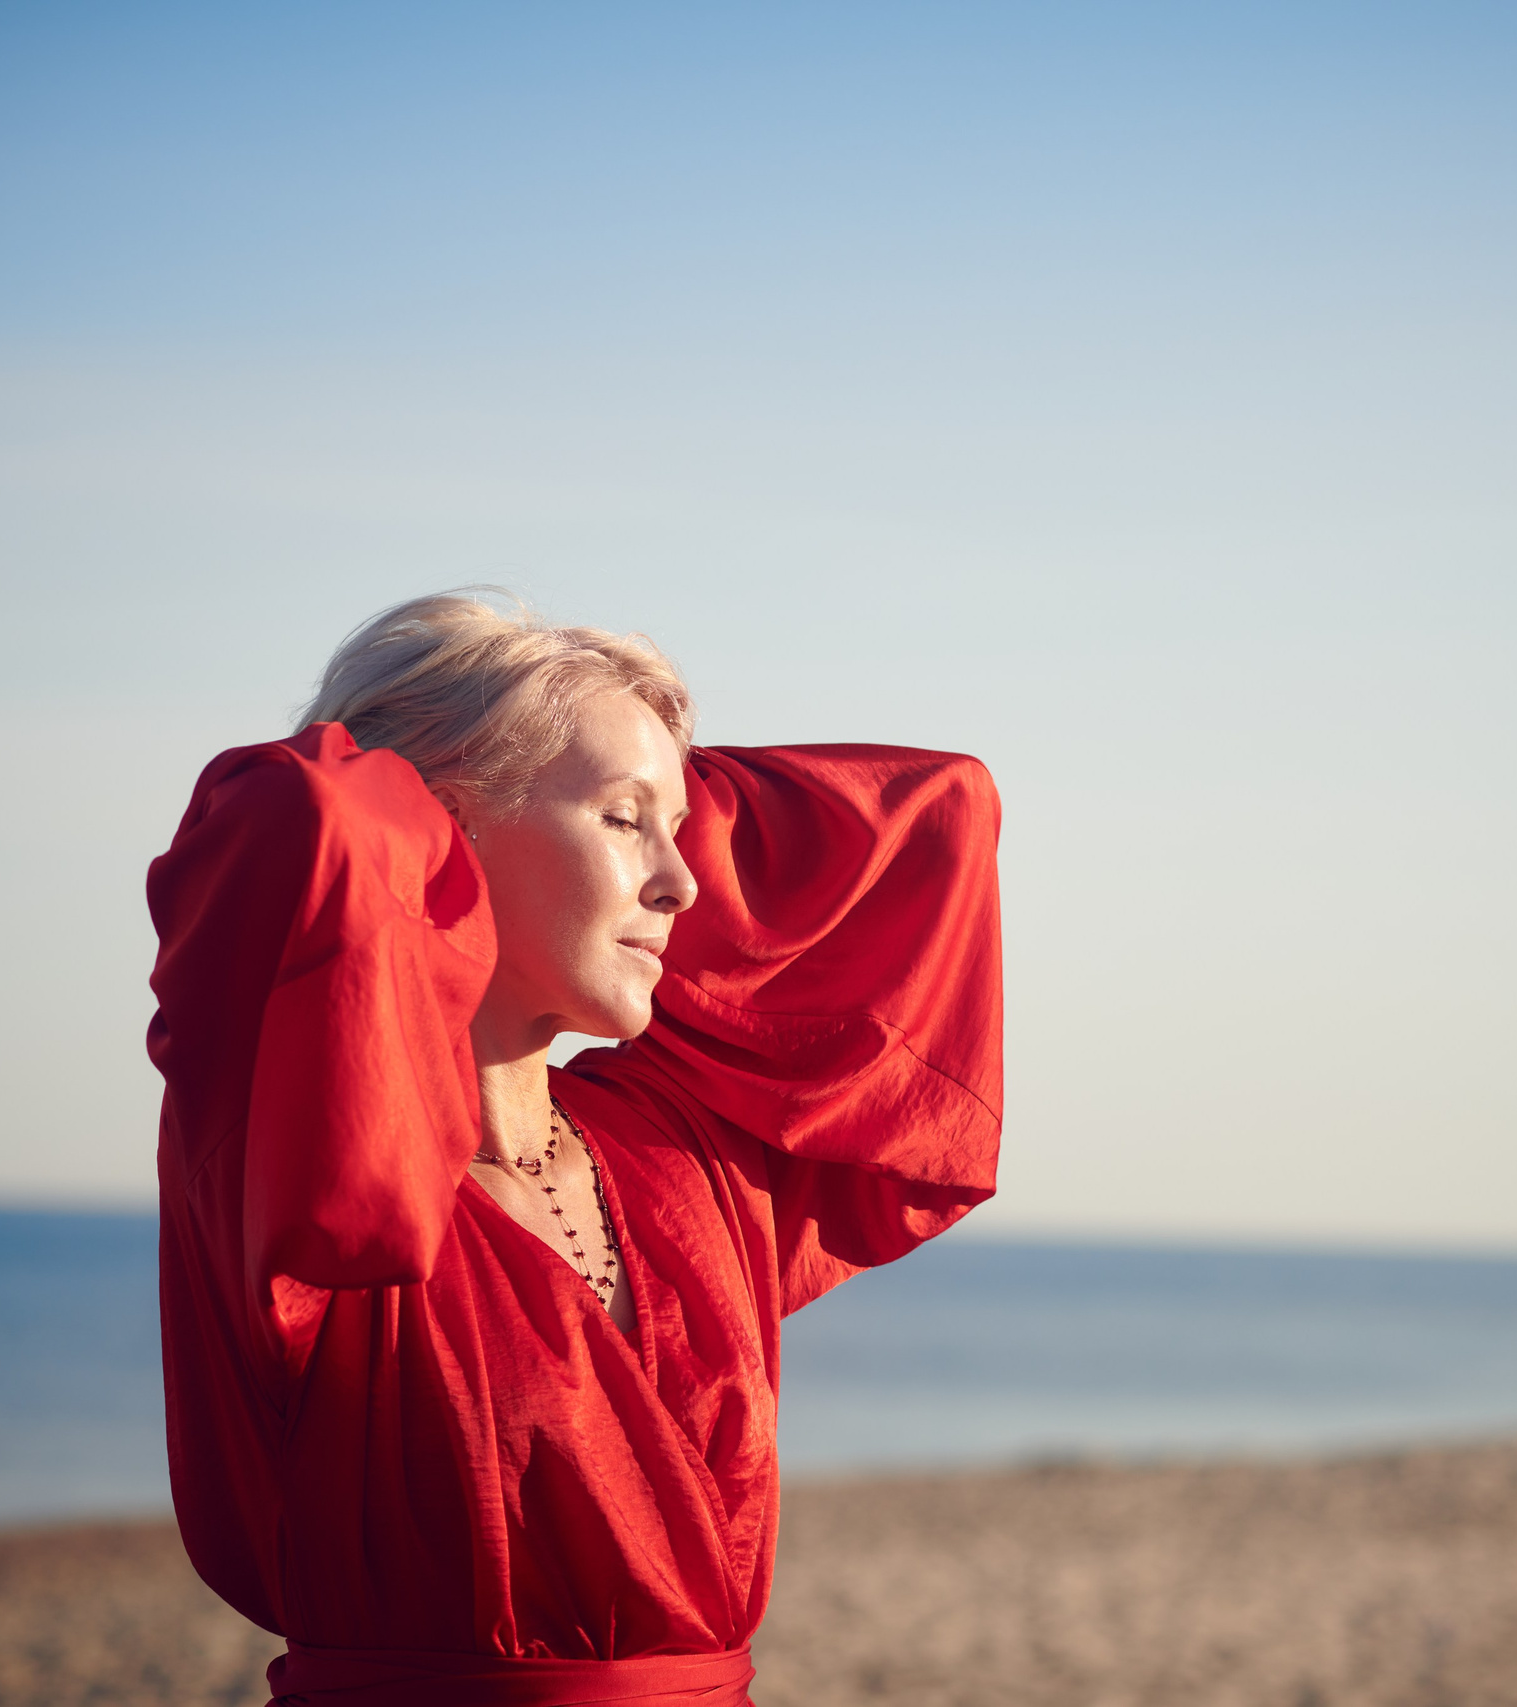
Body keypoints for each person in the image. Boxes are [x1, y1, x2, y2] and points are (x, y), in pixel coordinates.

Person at [144, 592, 1003, 1706]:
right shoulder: (301, 1147)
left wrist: (635, 765)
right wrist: (433, 791)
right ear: (437, 827)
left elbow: (936, 812)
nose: (682, 881)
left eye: (683, 828)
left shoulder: (684, 1151)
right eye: (622, 822)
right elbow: (303, 821)